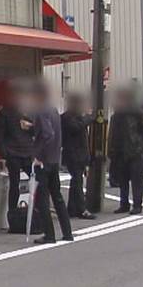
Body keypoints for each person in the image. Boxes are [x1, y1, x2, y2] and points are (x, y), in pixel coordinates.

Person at [31, 82, 73, 243]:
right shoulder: (53, 109)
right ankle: (67, 233)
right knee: (57, 196)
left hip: (44, 161)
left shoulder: (40, 110)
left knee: (42, 199)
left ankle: (49, 235)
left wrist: (38, 155)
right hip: (55, 158)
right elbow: (52, 132)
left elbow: (47, 134)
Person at [108, 87, 143, 215]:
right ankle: (124, 204)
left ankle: (137, 205)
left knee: (136, 181)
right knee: (123, 180)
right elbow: (113, 134)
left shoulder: (136, 112)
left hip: (134, 151)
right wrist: (111, 151)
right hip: (120, 152)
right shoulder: (117, 115)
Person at [0, 79, 39, 214]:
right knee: (15, 184)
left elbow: (37, 131)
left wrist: (30, 126)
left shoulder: (28, 112)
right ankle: (13, 214)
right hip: (13, 153)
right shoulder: (5, 113)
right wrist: (5, 154)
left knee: (36, 180)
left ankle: (34, 211)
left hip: (27, 152)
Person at [61, 92, 95, 220]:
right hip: (73, 154)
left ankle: (72, 208)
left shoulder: (76, 116)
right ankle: (81, 209)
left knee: (76, 181)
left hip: (79, 154)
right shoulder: (67, 117)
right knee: (77, 181)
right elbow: (76, 127)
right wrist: (89, 117)